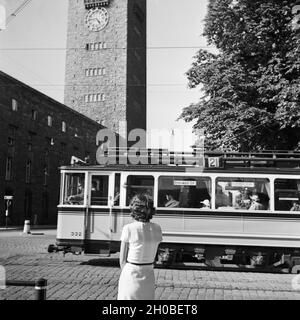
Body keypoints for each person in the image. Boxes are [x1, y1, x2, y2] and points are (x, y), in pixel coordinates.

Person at [117, 193, 163, 300]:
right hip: (149, 273)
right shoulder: (157, 228)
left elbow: (122, 261)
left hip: (131, 272)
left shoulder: (128, 228)